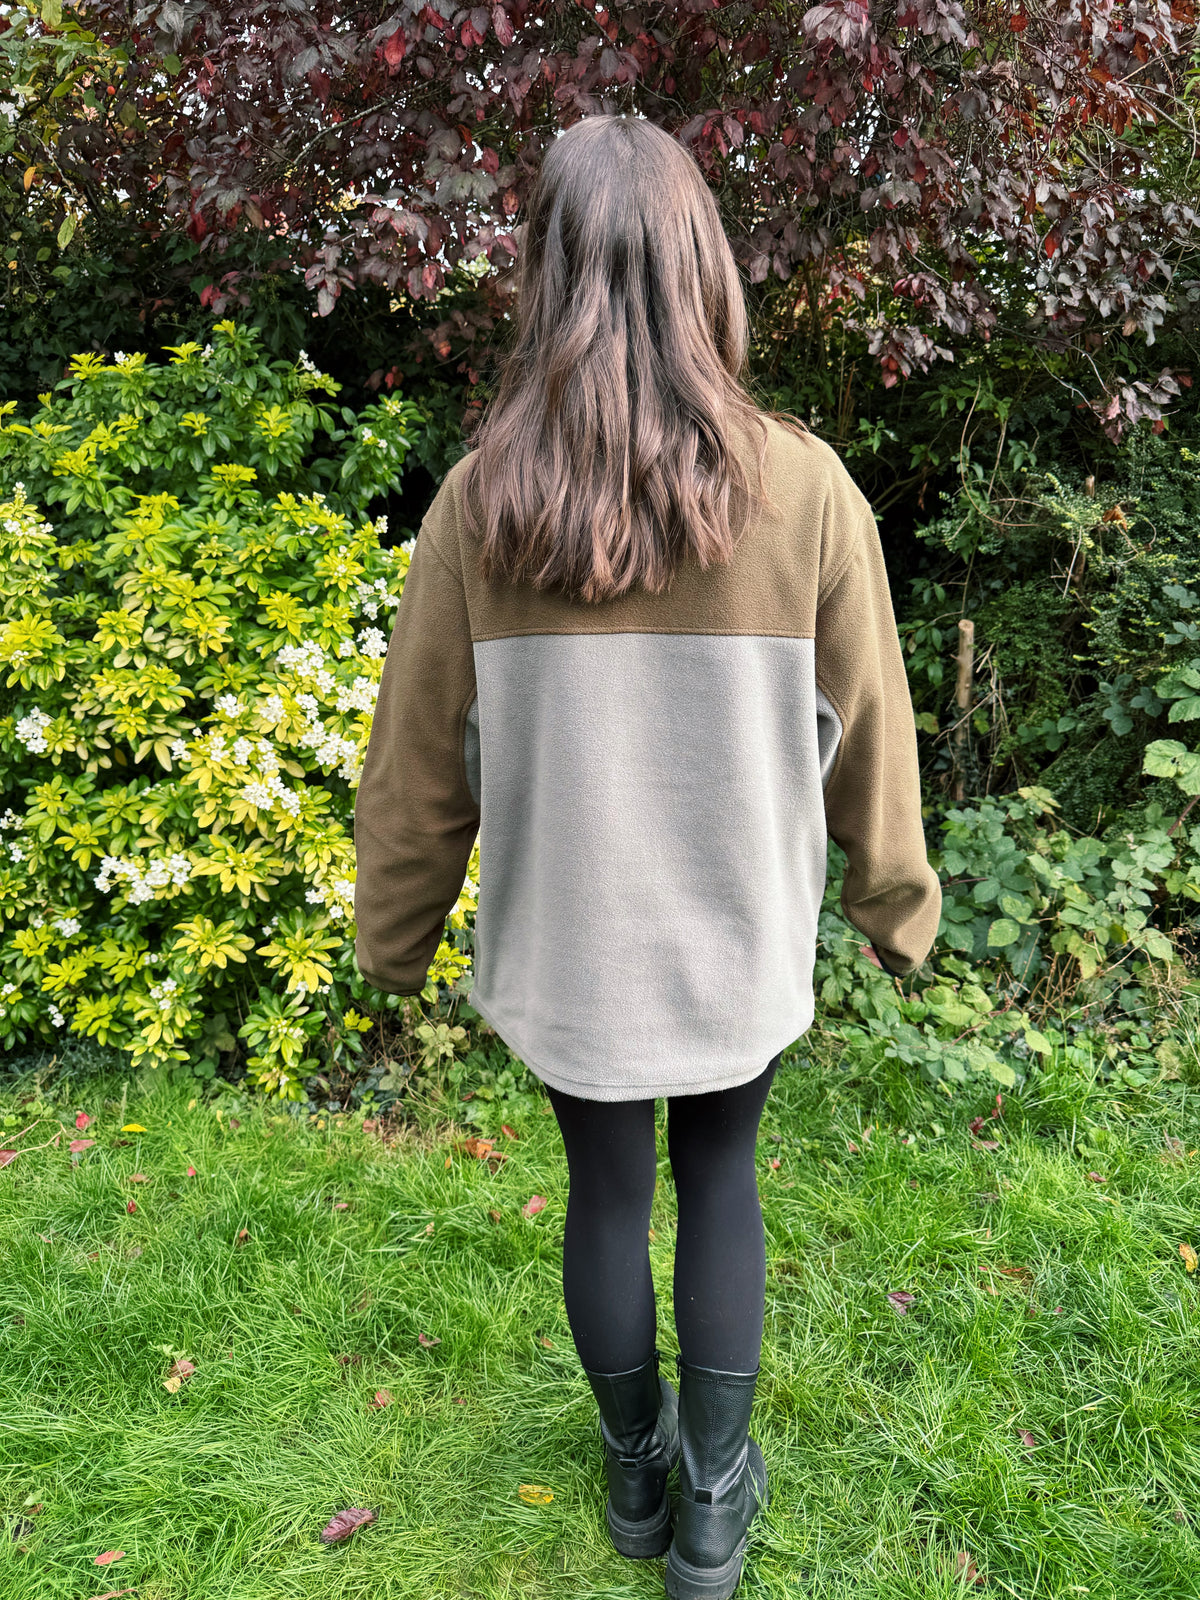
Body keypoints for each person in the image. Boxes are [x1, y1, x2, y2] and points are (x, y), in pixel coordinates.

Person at [353, 112, 941, 1600]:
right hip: (737, 937)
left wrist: (395, 940)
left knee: (607, 1191)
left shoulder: (482, 505)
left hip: (570, 951)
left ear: (547, 275)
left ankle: (636, 1474)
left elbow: (417, 766)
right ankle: (712, 1511)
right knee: (721, 1174)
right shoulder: (803, 488)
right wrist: (896, 902)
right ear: (704, 271)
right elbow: (874, 728)